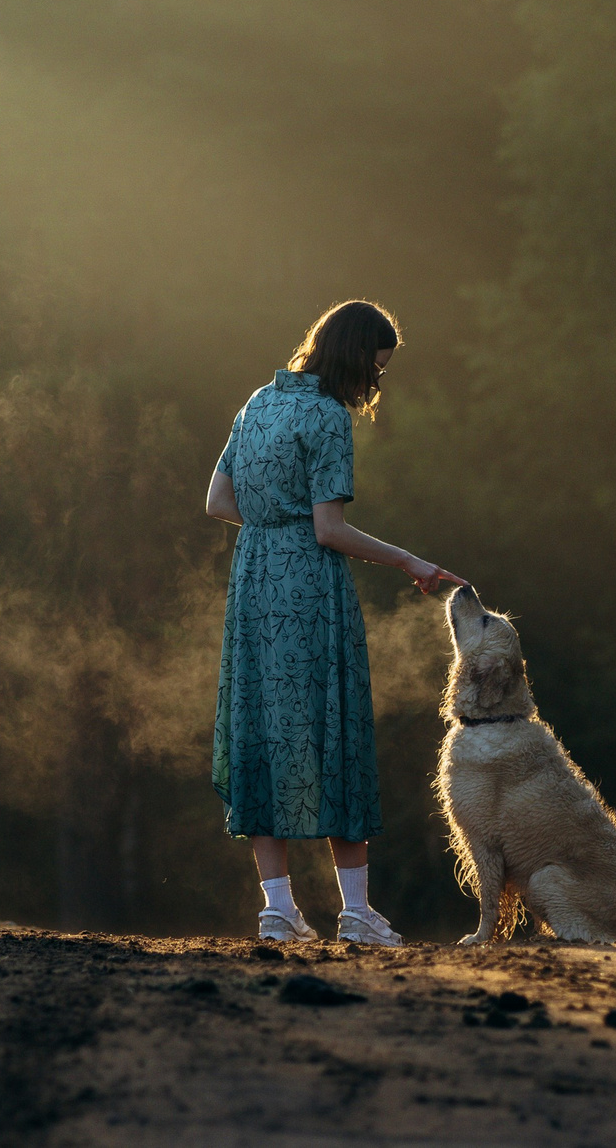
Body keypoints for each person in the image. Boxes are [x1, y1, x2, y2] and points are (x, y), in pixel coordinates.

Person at [205, 298, 460, 945]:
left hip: (254, 577)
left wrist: (272, 526)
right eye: (375, 370)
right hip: (309, 587)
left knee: (266, 732)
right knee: (333, 728)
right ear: (353, 357)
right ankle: (355, 910)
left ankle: (278, 908)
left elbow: (216, 501)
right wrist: (408, 559)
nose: (374, 384)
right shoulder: (327, 417)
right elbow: (329, 529)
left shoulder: (257, 402)